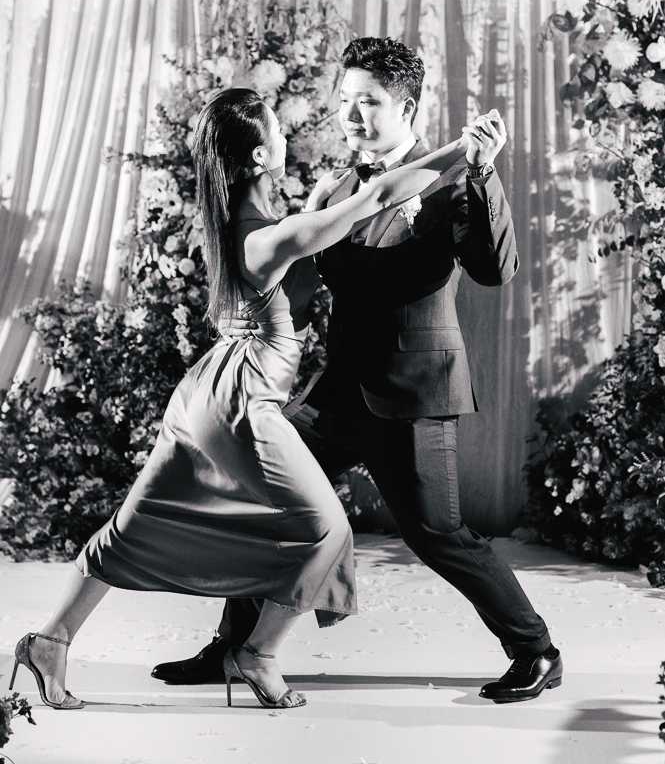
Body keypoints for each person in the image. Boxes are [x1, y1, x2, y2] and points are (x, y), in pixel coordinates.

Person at [10, 86, 470, 711]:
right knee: (326, 528)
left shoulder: (254, 224)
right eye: (277, 129)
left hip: (206, 391)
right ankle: (258, 652)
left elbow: (306, 262)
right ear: (258, 157)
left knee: (134, 524)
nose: (288, 134)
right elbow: (381, 194)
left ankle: (49, 640)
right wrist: (467, 149)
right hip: (242, 400)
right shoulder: (264, 238)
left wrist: (316, 208)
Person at [152, 38, 563, 704]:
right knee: (267, 501)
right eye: (343, 101)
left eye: (366, 102)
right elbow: (305, 281)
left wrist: (483, 170)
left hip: (412, 392)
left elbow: (494, 270)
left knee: (439, 535)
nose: (351, 116)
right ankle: (233, 648)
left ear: (407, 106)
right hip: (336, 391)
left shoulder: (452, 175)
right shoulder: (337, 185)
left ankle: (535, 650)